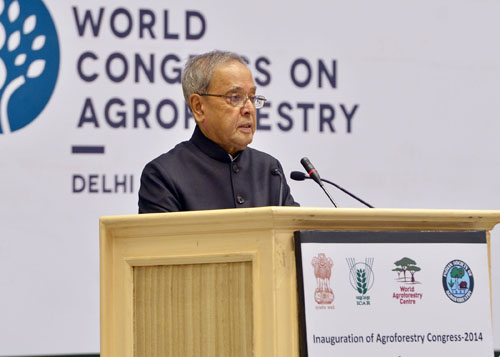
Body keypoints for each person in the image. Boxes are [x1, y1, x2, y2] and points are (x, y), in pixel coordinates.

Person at [138, 50, 298, 213]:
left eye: (252, 97)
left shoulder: (269, 170)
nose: (249, 109)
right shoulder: (164, 175)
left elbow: (293, 234)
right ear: (198, 107)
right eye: (235, 97)